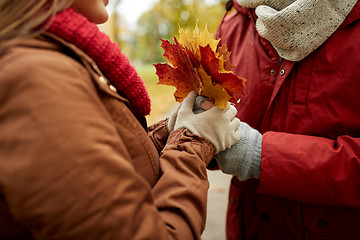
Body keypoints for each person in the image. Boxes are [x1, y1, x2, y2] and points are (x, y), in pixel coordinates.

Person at [0, 0, 241, 239]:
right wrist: (193, 141)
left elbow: (113, 164)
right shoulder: (37, 79)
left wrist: (170, 133)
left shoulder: (49, 56)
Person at [209, 0, 360, 239]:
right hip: (247, 226)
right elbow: (220, 119)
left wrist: (259, 156)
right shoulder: (235, 21)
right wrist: (198, 138)